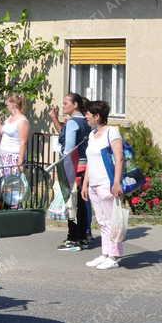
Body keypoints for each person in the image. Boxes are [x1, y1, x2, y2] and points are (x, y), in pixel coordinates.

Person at [82, 100, 125, 270]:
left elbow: (119, 158)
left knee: (112, 221)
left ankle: (114, 256)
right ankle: (105, 253)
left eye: (89, 115)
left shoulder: (112, 132)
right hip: (93, 183)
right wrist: (85, 184)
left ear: (97, 116)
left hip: (107, 183)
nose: (86, 117)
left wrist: (116, 182)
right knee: (101, 221)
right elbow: (90, 162)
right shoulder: (92, 135)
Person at [51, 93, 93, 251]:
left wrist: (64, 169)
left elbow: (68, 150)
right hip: (86, 167)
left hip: (73, 167)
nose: (63, 106)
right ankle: (83, 237)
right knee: (81, 203)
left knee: (72, 203)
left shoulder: (72, 123)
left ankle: (73, 239)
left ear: (75, 105)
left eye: (66, 103)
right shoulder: (87, 121)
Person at [0, 94, 30, 176]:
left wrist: (20, 161)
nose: (6, 106)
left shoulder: (22, 120)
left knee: (14, 185)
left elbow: (23, 142)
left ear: (13, 104)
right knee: (6, 185)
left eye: (7, 104)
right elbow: (2, 131)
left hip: (14, 158)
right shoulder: (9, 118)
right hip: (5, 157)